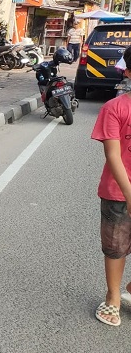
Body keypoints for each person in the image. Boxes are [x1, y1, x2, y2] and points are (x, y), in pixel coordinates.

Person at [91, 47, 131, 326]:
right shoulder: (115, 108)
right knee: (116, 247)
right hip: (119, 192)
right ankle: (113, 297)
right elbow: (113, 155)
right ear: (128, 72)